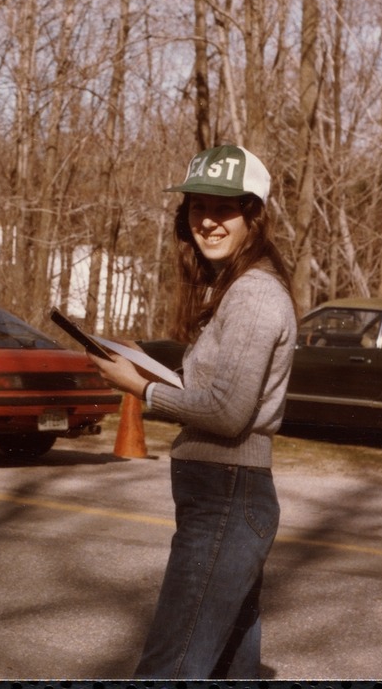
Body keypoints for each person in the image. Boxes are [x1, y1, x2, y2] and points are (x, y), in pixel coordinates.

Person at [88, 144, 297, 679]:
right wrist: (156, 375)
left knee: (170, 666)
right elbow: (220, 394)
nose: (207, 220)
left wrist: (141, 388)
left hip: (227, 494)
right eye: (197, 206)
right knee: (231, 668)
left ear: (254, 216)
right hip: (222, 493)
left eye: (224, 208)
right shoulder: (233, 290)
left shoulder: (252, 295)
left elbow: (227, 414)